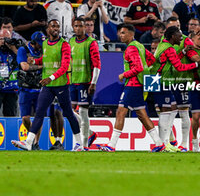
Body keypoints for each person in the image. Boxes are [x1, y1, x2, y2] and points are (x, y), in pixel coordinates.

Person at [11, 19, 83, 151]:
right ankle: (28, 142)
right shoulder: (44, 44)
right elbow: (46, 59)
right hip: (48, 86)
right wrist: (35, 60)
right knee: (39, 113)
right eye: (52, 26)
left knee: (68, 113)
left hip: (61, 85)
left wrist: (50, 77)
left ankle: (79, 143)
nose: (55, 28)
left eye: (57, 26)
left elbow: (65, 66)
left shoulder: (64, 45)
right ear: (48, 29)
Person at [97, 24, 165, 152]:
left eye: (123, 33)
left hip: (132, 84)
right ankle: (159, 143)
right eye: (120, 33)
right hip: (140, 84)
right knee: (142, 114)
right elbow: (151, 59)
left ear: (131, 34)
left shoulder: (131, 48)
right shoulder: (139, 45)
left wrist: (124, 74)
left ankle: (111, 145)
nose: (120, 35)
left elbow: (138, 67)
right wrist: (145, 68)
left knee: (120, 112)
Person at [149, 26, 198, 151]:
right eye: (179, 35)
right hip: (159, 80)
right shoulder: (169, 48)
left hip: (154, 79)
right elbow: (179, 67)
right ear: (172, 36)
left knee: (168, 109)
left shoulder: (163, 45)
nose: (181, 37)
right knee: (166, 110)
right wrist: (196, 64)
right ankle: (163, 143)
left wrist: (184, 52)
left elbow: (171, 60)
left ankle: (165, 143)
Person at [69, 17, 101, 150]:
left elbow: (97, 65)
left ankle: (84, 145)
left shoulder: (91, 42)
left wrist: (93, 83)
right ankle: (90, 133)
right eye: (76, 26)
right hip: (73, 81)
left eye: (81, 26)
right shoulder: (71, 41)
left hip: (85, 81)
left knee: (83, 112)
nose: (78, 28)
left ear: (85, 28)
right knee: (69, 111)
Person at [17, 31, 44, 150]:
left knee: (39, 117)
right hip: (25, 88)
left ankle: (36, 144)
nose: (41, 45)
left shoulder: (43, 51)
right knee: (25, 118)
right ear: (33, 43)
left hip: (39, 89)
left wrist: (34, 65)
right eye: (39, 43)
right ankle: (32, 138)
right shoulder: (23, 50)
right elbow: (24, 67)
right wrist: (40, 66)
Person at [0, 29, 19, 116]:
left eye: (7, 39)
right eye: (1, 39)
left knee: (11, 118)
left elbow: (26, 60)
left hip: (12, 90)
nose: (4, 42)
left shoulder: (16, 51)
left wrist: (13, 48)